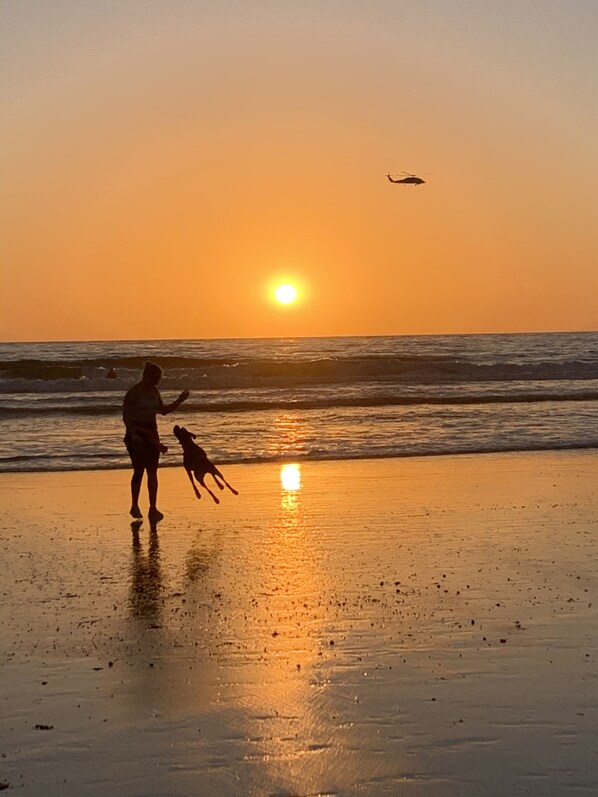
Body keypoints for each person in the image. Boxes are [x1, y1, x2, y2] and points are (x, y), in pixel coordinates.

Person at [123, 361, 189, 522]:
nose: (159, 381)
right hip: (137, 434)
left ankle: (153, 508)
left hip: (152, 432)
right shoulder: (134, 392)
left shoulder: (154, 391)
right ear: (148, 376)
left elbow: (163, 411)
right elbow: (127, 417)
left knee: (152, 472)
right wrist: (134, 434)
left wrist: (179, 400)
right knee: (139, 470)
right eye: (157, 377)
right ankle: (134, 505)